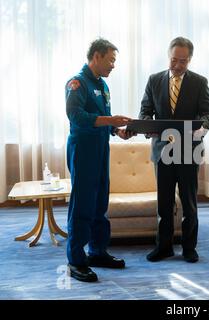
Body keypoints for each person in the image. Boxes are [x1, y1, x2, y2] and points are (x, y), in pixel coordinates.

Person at [139, 37, 209, 263]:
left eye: (183, 61)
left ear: (190, 60)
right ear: (168, 56)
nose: (178, 65)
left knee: (189, 203)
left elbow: (207, 114)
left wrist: (203, 129)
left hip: (189, 149)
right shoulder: (154, 80)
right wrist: (147, 127)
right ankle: (164, 247)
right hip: (162, 150)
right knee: (164, 203)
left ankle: (189, 248)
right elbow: (145, 112)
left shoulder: (200, 82)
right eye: (174, 60)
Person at [65, 38, 135, 282]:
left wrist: (118, 130)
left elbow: (104, 119)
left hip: (100, 149)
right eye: (111, 60)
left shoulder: (103, 85)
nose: (113, 65)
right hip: (83, 150)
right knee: (82, 204)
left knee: (99, 204)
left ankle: (97, 251)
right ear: (96, 56)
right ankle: (76, 260)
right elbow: (76, 116)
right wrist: (111, 121)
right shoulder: (77, 83)